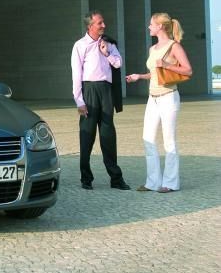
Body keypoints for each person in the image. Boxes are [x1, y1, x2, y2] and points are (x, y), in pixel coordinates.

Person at [126, 12, 192, 192]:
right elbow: (155, 74)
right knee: (148, 138)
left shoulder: (174, 46)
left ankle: (170, 183)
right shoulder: (152, 49)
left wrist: (167, 65)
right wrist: (139, 76)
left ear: (160, 26)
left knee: (169, 141)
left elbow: (188, 70)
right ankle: (152, 182)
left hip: (169, 97)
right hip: (152, 99)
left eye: (151, 24)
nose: (149, 27)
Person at [71, 11, 130, 190]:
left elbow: (118, 63)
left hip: (106, 91)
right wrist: (79, 101)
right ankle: (86, 178)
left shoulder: (109, 43)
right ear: (90, 26)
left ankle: (116, 178)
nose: (104, 25)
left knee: (108, 134)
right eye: (100, 23)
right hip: (89, 90)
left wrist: (106, 53)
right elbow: (76, 74)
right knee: (87, 135)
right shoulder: (80, 45)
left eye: (103, 22)